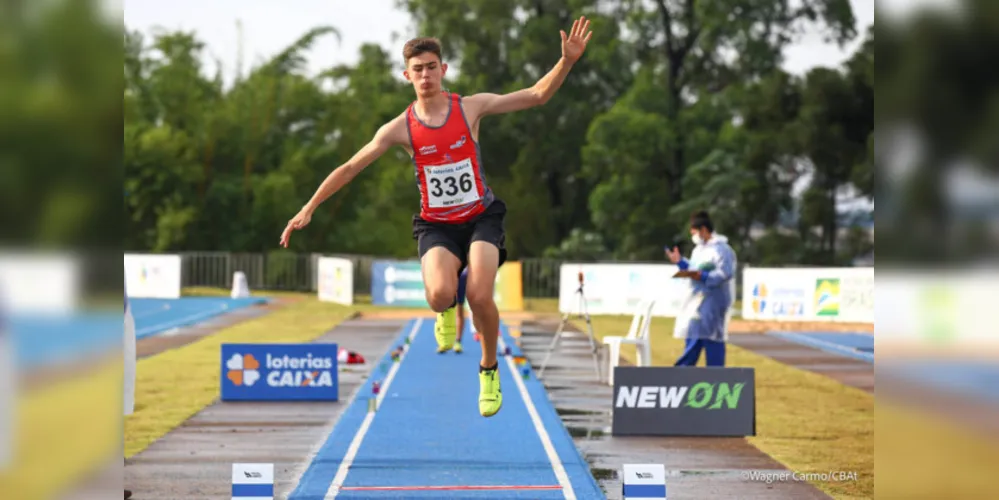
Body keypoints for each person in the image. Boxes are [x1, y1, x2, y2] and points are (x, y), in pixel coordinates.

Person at [280, 17, 593, 417]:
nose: (425, 75)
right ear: (406, 75)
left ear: (442, 69)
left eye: (431, 67)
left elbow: (535, 95)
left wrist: (566, 62)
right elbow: (350, 166)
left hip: (481, 217)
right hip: (437, 226)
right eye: (417, 69)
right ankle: (445, 309)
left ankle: (489, 369)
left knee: (480, 295)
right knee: (440, 294)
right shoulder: (400, 129)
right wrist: (310, 206)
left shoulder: (470, 108)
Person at [665, 210, 737, 367]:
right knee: (694, 337)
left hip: (713, 302)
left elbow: (725, 273)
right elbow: (694, 267)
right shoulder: (699, 249)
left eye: (695, 231)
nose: (693, 235)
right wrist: (680, 263)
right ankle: (682, 375)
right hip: (696, 302)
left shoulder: (722, 249)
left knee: (712, 341)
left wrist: (703, 276)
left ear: (704, 230)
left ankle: (714, 379)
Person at [439, 267, 467, 354]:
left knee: (459, 309)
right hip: (447, 274)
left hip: (461, 275)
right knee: (444, 310)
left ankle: (458, 341)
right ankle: (443, 341)